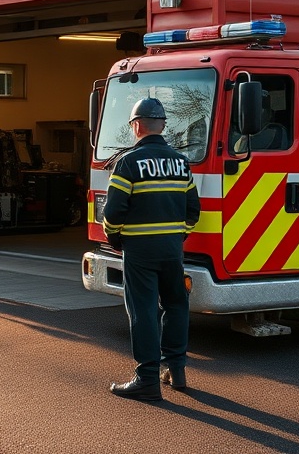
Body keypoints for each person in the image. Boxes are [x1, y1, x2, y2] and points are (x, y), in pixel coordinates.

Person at [102, 96, 201, 401]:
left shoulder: (128, 163)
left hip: (140, 251)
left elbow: (113, 212)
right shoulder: (180, 162)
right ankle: (176, 369)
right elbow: (193, 210)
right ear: (162, 126)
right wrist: (175, 236)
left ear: (136, 126)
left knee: (143, 309)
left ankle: (147, 379)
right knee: (175, 304)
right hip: (172, 249)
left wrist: (115, 238)